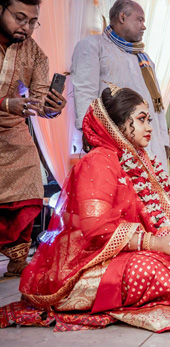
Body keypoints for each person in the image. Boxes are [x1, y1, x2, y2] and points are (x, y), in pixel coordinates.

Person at [11, 85, 170, 332]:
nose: (149, 127)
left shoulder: (134, 160)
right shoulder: (99, 160)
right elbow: (95, 228)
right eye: (141, 119)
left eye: (149, 119)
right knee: (156, 271)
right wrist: (157, 244)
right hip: (87, 261)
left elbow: (157, 218)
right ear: (116, 123)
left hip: (125, 250)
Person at [0, 0, 66, 276]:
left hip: (13, 129)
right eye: (19, 18)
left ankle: (17, 260)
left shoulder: (34, 53)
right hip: (7, 112)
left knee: (29, 178)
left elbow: (37, 100)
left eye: (32, 22)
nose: (25, 27)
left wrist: (51, 108)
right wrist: (5, 104)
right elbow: (12, 103)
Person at [71, 0, 170, 170]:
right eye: (140, 20)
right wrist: (88, 132)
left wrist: (164, 142)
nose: (144, 26)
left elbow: (157, 107)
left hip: (152, 147)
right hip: (113, 141)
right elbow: (85, 92)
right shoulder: (93, 46)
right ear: (122, 17)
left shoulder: (145, 59)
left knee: (152, 195)